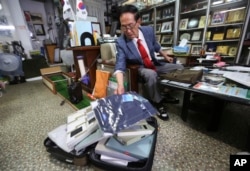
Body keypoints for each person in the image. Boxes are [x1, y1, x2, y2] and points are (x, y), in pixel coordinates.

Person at [114, 5, 184, 121]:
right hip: (141, 67)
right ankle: (158, 103)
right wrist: (120, 85)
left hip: (154, 63)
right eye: (124, 27)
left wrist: (165, 56)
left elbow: (156, 46)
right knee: (151, 74)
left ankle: (165, 93)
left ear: (138, 21)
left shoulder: (148, 31)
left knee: (180, 67)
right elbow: (120, 64)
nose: (128, 31)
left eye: (131, 25)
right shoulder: (121, 42)